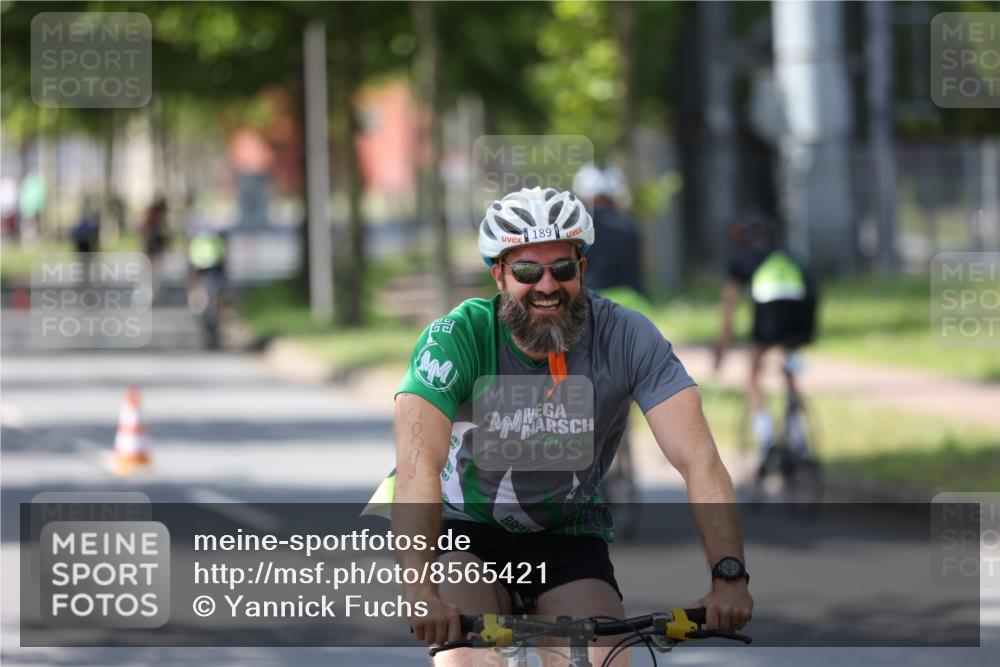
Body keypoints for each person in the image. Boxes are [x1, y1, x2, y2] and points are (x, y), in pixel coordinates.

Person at [371, 187, 752, 665]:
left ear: (582, 269)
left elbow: (699, 460)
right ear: (499, 274)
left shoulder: (627, 336)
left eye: (562, 268)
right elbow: (416, 470)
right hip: (465, 533)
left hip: (566, 537)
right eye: (528, 271)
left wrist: (729, 577)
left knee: (603, 658)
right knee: (465, 658)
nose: (547, 286)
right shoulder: (457, 339)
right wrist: (421, 592)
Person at [713, 207, 818, 461]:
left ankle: (766, 437)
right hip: (804, 309)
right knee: (789, 369)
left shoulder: (741, 259)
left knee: (753, 372)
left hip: (771, 311)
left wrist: (723, 347)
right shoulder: (786, 254)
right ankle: (798, 437)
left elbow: (729, 308)